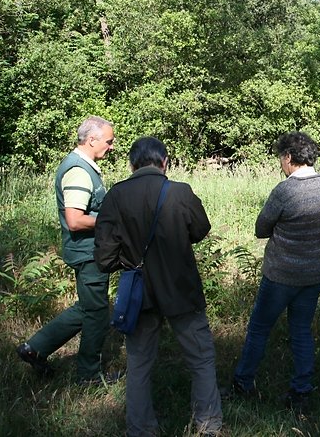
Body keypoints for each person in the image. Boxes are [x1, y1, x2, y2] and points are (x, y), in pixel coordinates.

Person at [94, 137, 222, 436]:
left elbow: (103, 257)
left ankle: (140, 430)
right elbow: (201, 229)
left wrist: (130, 262)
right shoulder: (180, 191)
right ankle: (208, 426)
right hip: (181, 289)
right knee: (201, 359)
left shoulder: (116, 196)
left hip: (140, 293)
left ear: (132, 164)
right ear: (165, 162)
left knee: (138, 365)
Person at [232, 132, 320, 413]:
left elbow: (261, 228)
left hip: (282, 274)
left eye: (281, 158)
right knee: (301, 330)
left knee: (259, 328)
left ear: (289, 157)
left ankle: (243, 381)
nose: (281, 163)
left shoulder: (285, 190)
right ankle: (302, 389)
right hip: (314, 272)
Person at [16, 115, 115, 384]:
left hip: (87, 252)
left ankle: (34, 348)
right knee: (95, 313)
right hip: (88, 253)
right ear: (92, 139)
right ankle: (89, 375)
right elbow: (75, 219)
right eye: (109, 141)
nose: (112, 146)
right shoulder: (79, 171)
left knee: (87, 307)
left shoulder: (85, 166)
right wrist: (113, 220)